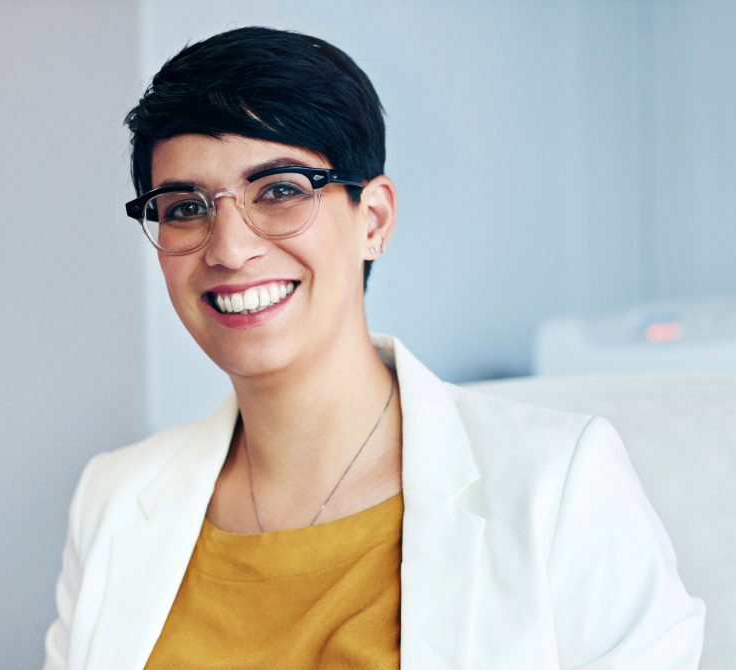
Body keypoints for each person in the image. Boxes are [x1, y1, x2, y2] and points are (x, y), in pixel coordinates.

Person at [43, 27, 704, 670]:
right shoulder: (112, 496)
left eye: (279, 191)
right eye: (185, 207)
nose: (229, 249)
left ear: (375, 219)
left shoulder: (561, 484)